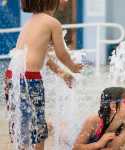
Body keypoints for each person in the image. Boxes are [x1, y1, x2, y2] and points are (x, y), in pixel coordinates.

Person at [4, 0, 83, 150]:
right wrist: (73, 67)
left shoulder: (31, 21)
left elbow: (42, 55)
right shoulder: (53, 23)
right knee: (38, 124)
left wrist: (62, 73)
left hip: (12, 76)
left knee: (21, 122)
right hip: (30, 78)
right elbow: (61, 53)